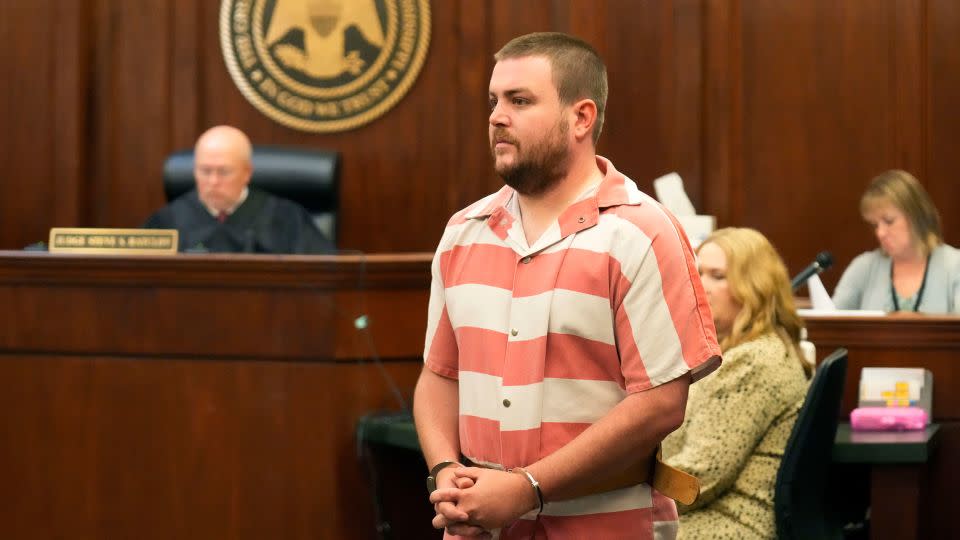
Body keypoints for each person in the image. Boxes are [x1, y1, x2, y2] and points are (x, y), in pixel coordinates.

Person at [414, 32, 721, 539]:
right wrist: (446, 473)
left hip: (607, 522)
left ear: (582, 118)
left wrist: (528, 487)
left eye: (520, 101)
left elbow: (662, 402)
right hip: (478, 526)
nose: (496, 117)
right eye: (493, 101)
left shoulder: (641, 233)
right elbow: (440, 376)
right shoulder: (462, 232)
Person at [662, 227, 811, 539]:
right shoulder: (746, 347)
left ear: (755, 286)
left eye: (717, 276)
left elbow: (700, 478)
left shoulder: (753, 362)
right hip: (713, 515)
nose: (700, 286)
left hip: (728, 524)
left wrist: (626, 498)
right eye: (698, 273)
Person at [143, 125, 333, 254]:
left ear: (247, 173)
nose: (213, 181)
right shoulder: (167, 221)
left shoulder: (287, 218)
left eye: (224, 172)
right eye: (205, 171)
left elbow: (323, 277)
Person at [832, 169, 960, 313]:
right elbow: (831, 325)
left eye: (889, 221)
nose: (880, 233)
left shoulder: (954, 265)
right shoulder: (863, 267)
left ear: (917, 216)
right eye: (875, 225)